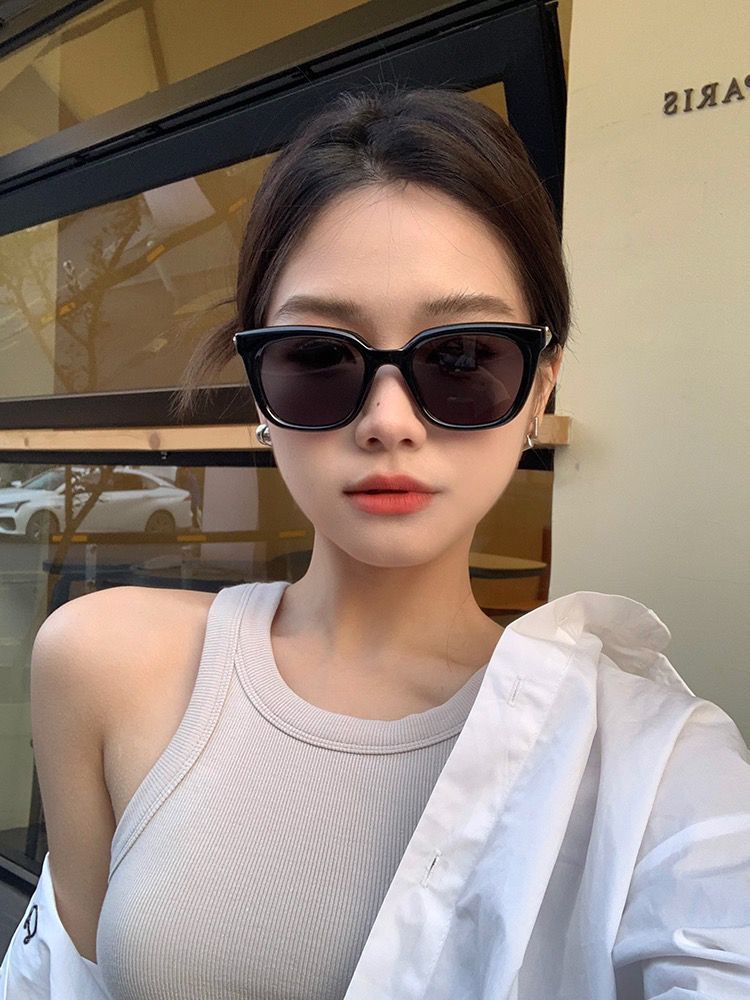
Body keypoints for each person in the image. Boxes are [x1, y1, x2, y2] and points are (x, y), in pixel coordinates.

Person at [2, 87, 749, 1000]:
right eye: (320, 356)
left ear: (539, 387)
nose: (389, 421)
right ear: (261, 391)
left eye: (462, 356)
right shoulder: (104, 660)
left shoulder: (654, 763)